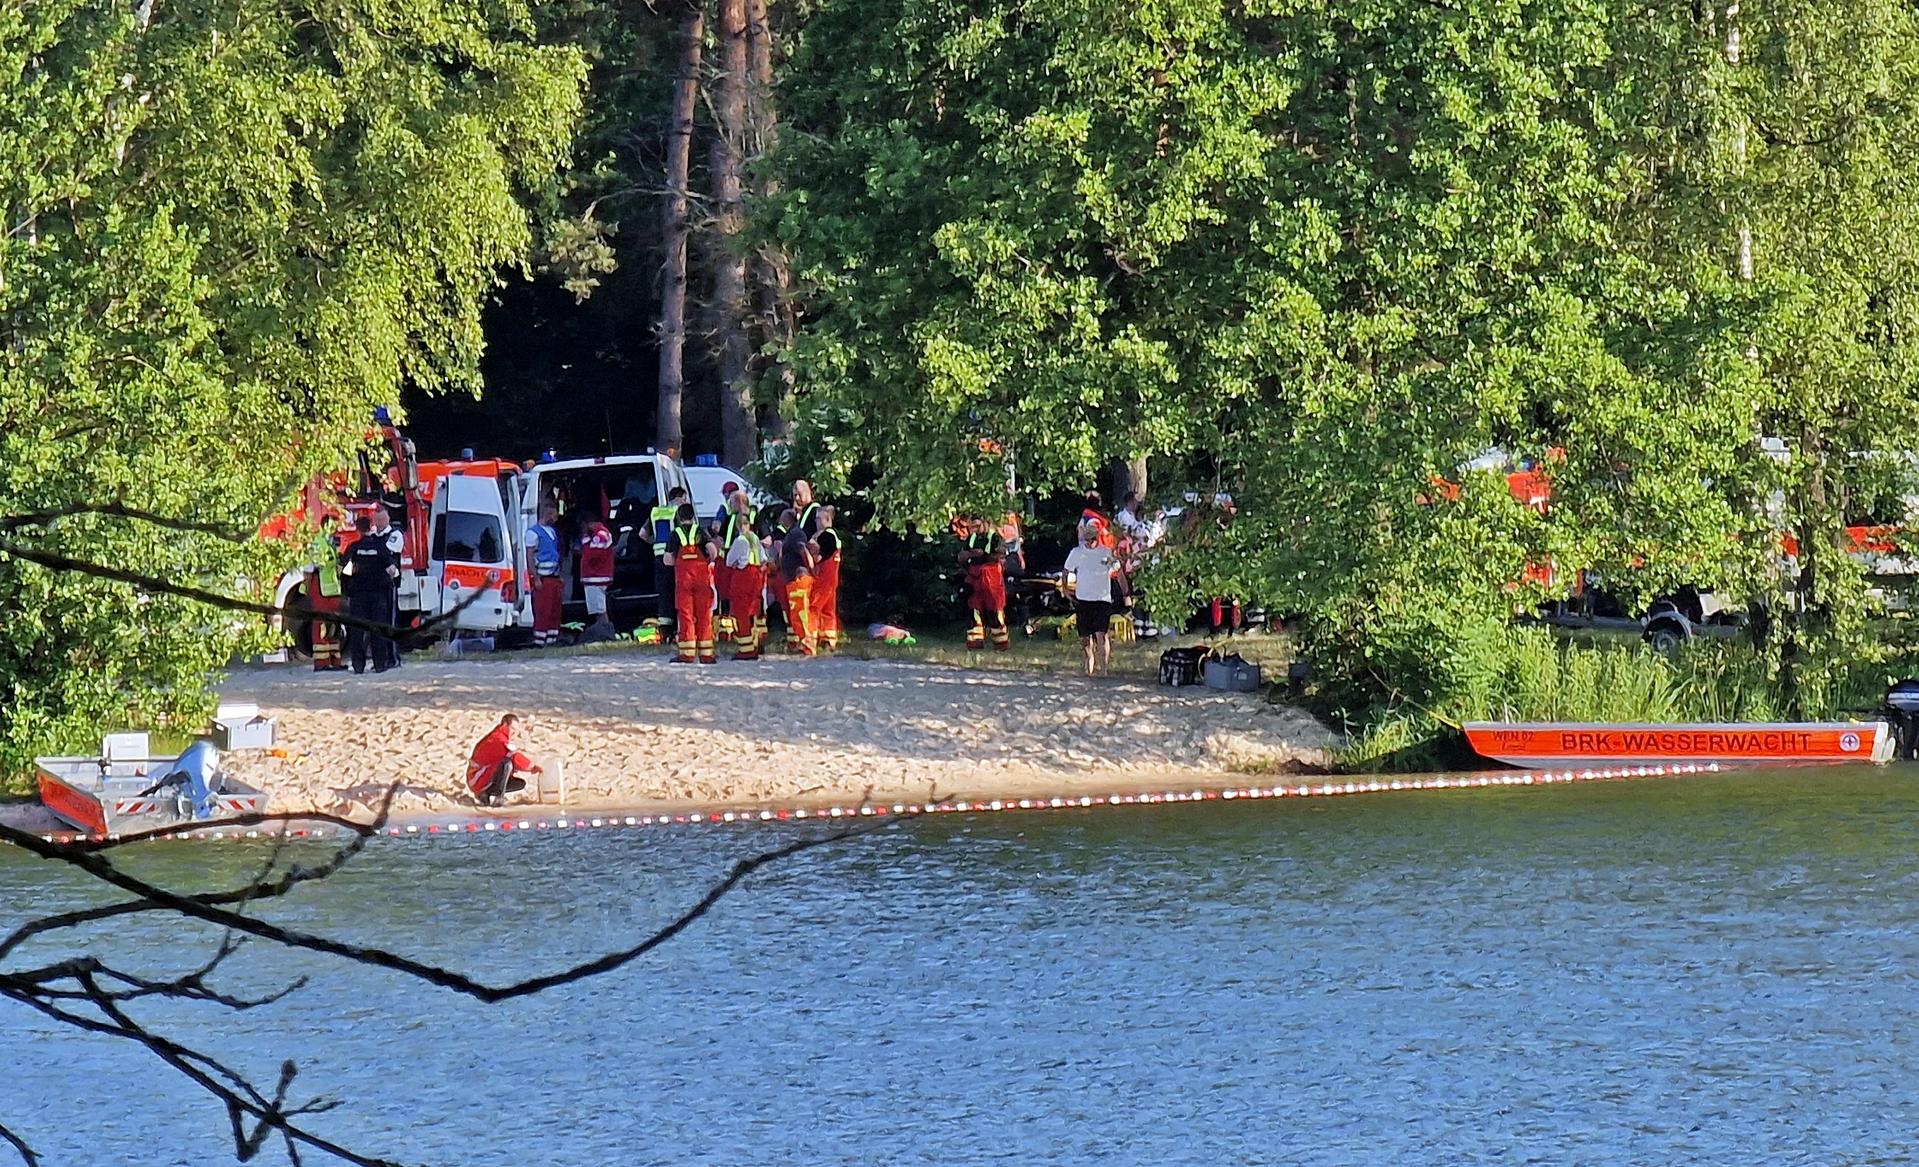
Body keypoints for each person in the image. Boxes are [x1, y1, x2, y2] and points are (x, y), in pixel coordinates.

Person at [340, 514, 400, 673]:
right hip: (378, 595)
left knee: (357, 632)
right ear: (370, 527)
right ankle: (380, 664)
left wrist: (350, 581)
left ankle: (358, 666)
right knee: (378, 630)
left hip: (358, 595)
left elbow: (344, 570)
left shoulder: (354, 548)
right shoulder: (380, 547)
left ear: (358, 529)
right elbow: (393, 571)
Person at [1064, 520, 1120, 676]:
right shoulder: (1077, 553)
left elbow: (1118, 571)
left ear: (1097, 538)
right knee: (1085, 638)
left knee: (1101, 634)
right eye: (1087, 539)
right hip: (1083, 599)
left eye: (1092, 539)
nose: (1089, 543)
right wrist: (1065, 590)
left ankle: (1104, 669)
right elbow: (1066, 570)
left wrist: (1125, 593)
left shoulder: (1105, 553)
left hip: (1102, 599)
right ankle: (1088, 666)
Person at [670, 502, 719, 663]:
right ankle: (706, 654)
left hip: (684, 579)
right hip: (701, 576)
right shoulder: (701, 531)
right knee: (704, 613)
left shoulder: (675, 534)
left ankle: (687, 653)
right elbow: (712, 550)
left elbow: (667, 559)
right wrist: (708, 560)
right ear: (692, 516)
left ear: (679, 517)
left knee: (686, 615)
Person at [465, 714, 544, 807]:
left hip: (483, 776)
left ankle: (486, 793)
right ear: (504, 725)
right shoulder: (498, 739)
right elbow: (515, 757)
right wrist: (532, 767)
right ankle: (497, 798)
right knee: (507, 764)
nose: (514, 733)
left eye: (516, 730)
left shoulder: (498, 737)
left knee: (519, 783)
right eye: (512, 729)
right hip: (477, 778)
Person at [957, 515, 1010, 651]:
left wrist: (981, 555)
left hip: (992, 577)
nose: (974, 530)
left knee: (994, 610)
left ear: (985, 523)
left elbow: (1000, 555)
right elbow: (962, 555)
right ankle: (975, 643)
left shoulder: (995, 537)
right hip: (975, 577)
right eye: (972, 527)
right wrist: (968, 557)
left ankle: (1001, 644)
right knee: (974, 609)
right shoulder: (972, 538)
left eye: (976, 526)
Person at [725, 503, 769, 660]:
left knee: (741, 612)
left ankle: (746, 649)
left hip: (743, 577)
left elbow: (729, 561)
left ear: (737, 525)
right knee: (754, 611)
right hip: (756, 575)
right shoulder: (755, 539)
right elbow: (764, 559)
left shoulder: (740, 540)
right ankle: (757, 644)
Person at [366, 505, 405, 669]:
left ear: (387, 519)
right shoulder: (374, 537)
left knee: (389, 622)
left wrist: (371, 548)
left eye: (381, 519)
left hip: (388, 585)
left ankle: (393, 658)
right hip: (373, 585)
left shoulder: (395, 535)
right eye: (377, 519)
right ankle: (380, 659)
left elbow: (387, 551)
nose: (379, 522)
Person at [305, 516, 345, 671]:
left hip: (332, 590)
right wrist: (308, 587)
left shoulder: (330, 543)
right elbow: (309, 568)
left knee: (333, 626)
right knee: (321, 625)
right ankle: (321, 663)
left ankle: (335, 661)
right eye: (333, 526)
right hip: (320, 588)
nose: (336, 528)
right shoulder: (317, 543)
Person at [778, 507, 817, 654]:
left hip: (799, 579)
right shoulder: (790, 533)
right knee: (796, 614)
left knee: (802, 613)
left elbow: (803, 550)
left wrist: (811, 568)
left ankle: (808, 644)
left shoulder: (796, 533)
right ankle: (803, 643)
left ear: (788, 519)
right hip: (793, 580)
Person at [650, 487, 688, 631]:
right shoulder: (679, 512)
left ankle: (665, 630)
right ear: (681, 498)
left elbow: (643, 534)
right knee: (678, 592)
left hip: (659, 558)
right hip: (674, 557)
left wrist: (655, 543)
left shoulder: (657, 512)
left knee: (664, 593)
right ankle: (680, 627)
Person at [810, 505, 843, 652]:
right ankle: (829, 639)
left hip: (824, 579)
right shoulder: (833, 536)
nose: (816, 522)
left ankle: (809, 639)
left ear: (828, 519)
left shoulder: (827, 535)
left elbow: (822, 555)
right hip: (831, 580)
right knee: (828, 610)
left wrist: (813, 547)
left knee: (813, 607)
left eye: (819, 519)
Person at [530, 501, 564, 648]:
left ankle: (552, 641)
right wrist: (536, 578)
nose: (556, 519)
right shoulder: (533, 533)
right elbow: (529, 556)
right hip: (543, 579)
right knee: (543, 611)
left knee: (555, 612)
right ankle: (539, 642)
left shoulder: (552, 531)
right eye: (554, 516)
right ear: (548, 514)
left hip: (555, 577)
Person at [578, 507, 615, 631]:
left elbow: (591, 555)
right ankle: (602, 630)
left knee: (600, 609)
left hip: (596, 577)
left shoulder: (600, 535)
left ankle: (605, 631)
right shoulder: (597, 535)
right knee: (597, 608)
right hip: (595, 577)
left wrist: (584, 539)